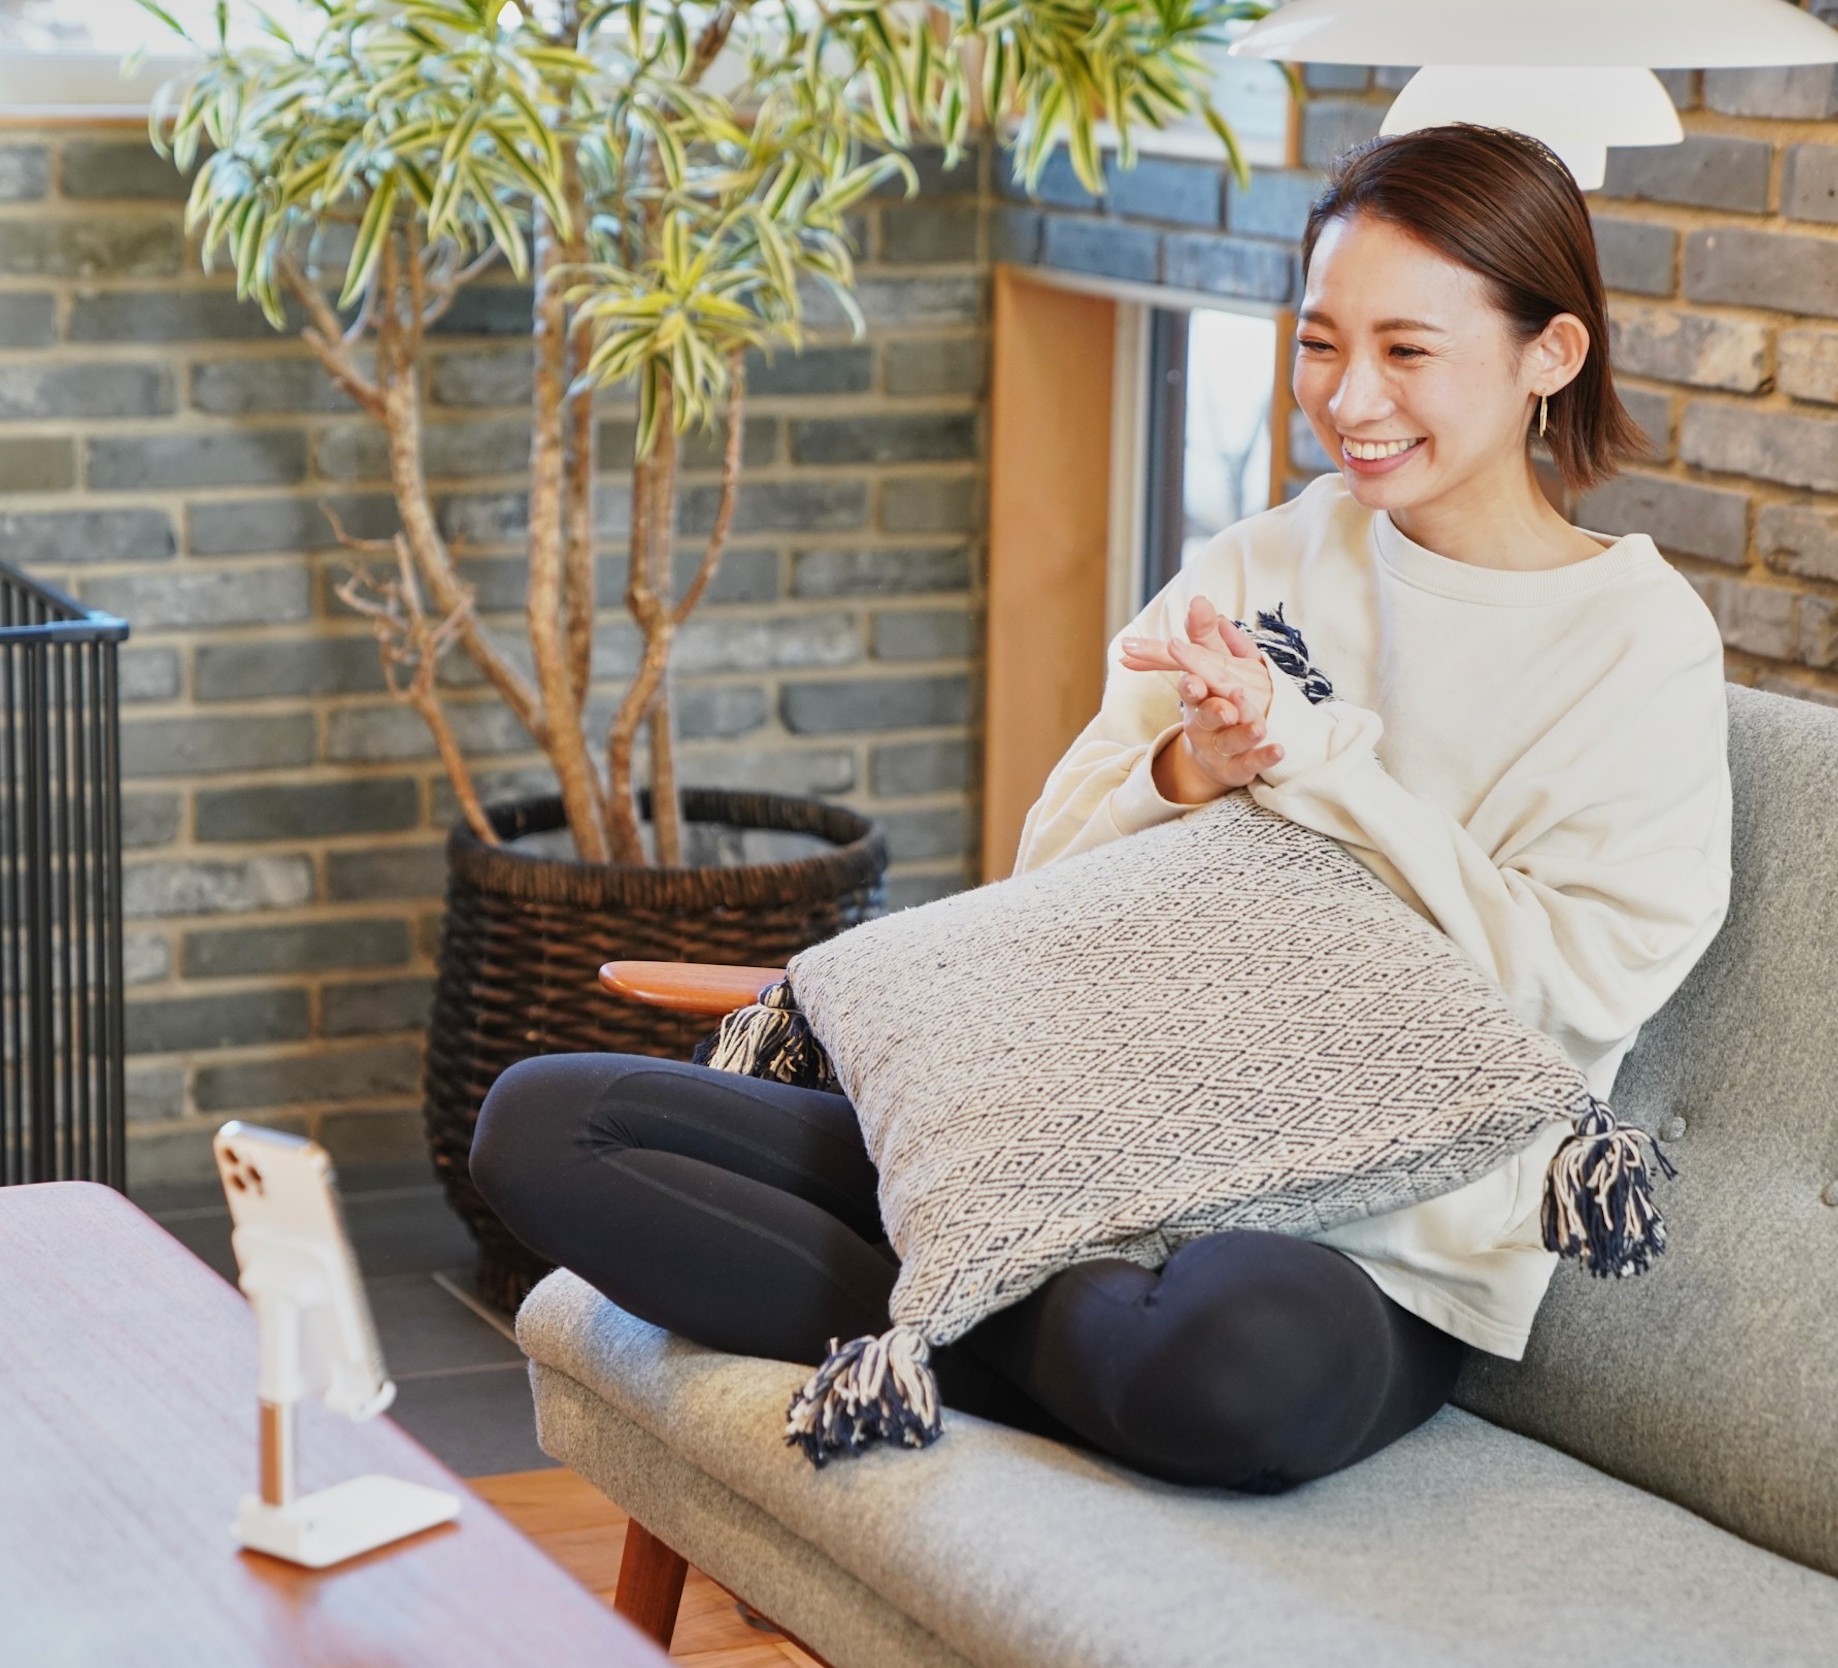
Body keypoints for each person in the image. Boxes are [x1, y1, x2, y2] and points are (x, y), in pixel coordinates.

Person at [470, 124, 1733, 1493]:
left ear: (1551, 352)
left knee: (1234, 1374)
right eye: (1319, 342)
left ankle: (942, 1306)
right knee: (548, 1125)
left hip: (1360, 1229)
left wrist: (1321, 768)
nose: (1349, 395)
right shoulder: (1267, 557)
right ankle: (989, 1288)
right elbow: (1050, 882)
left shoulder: (1634, 640)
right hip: (1080, 1136)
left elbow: (1578, 983)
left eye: (1407, 350)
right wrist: (1187, 771)